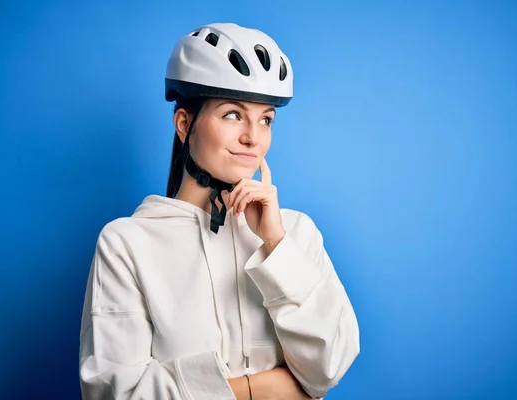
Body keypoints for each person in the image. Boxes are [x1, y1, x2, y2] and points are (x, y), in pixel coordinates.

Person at [79, 22, 360, 400]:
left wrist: (276, 245)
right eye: (232, 114)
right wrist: (254, 390)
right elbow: (116, 393)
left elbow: (328, 367)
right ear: (183, 124)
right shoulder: (126, 244)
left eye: (266, 119)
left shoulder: (296, 233)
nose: (253, 137)